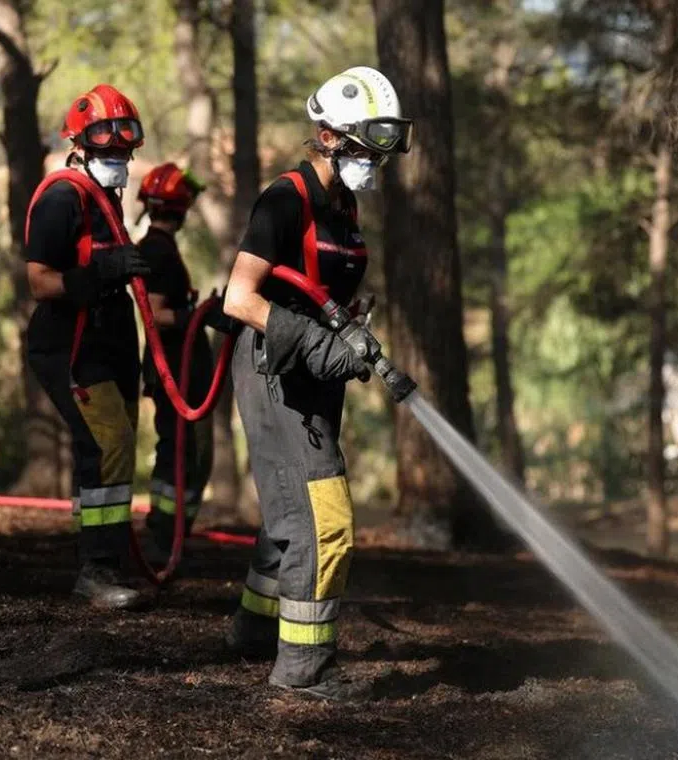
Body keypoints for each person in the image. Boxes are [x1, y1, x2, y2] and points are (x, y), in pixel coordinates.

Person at [220, 66, 412, 700]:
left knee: (287, 508)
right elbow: (239, 297)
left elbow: (324, 289)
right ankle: (305, 668)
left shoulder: (343, 204)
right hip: (275, 369)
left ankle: (254, 628)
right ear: (328, 136)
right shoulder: (285, 199)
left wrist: (351, 323)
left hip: (313, 374)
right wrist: (315, 340)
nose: (372, 163)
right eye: (364, 149)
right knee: (323, 520)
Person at [25, 84, 151, 610]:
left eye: (124, 146)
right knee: (108, 444)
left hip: (112, 336)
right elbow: (40, 282)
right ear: (80, 144)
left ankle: (108, 558)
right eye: (106, 145)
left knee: (115, 444)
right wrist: (99, 272)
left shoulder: (109, 200)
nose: (117, 155)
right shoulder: (61, 197)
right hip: (71, 341)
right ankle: (95, 570)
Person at [135, 163, 213, 567]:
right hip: (174, 368)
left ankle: (171, 531)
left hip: (182, 366)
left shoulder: (159, 248)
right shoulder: (156, 251)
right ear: (179, 209)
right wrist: (198, 315)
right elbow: (157, 315)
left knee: (188, 450)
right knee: (181, 451)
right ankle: (164, 535)